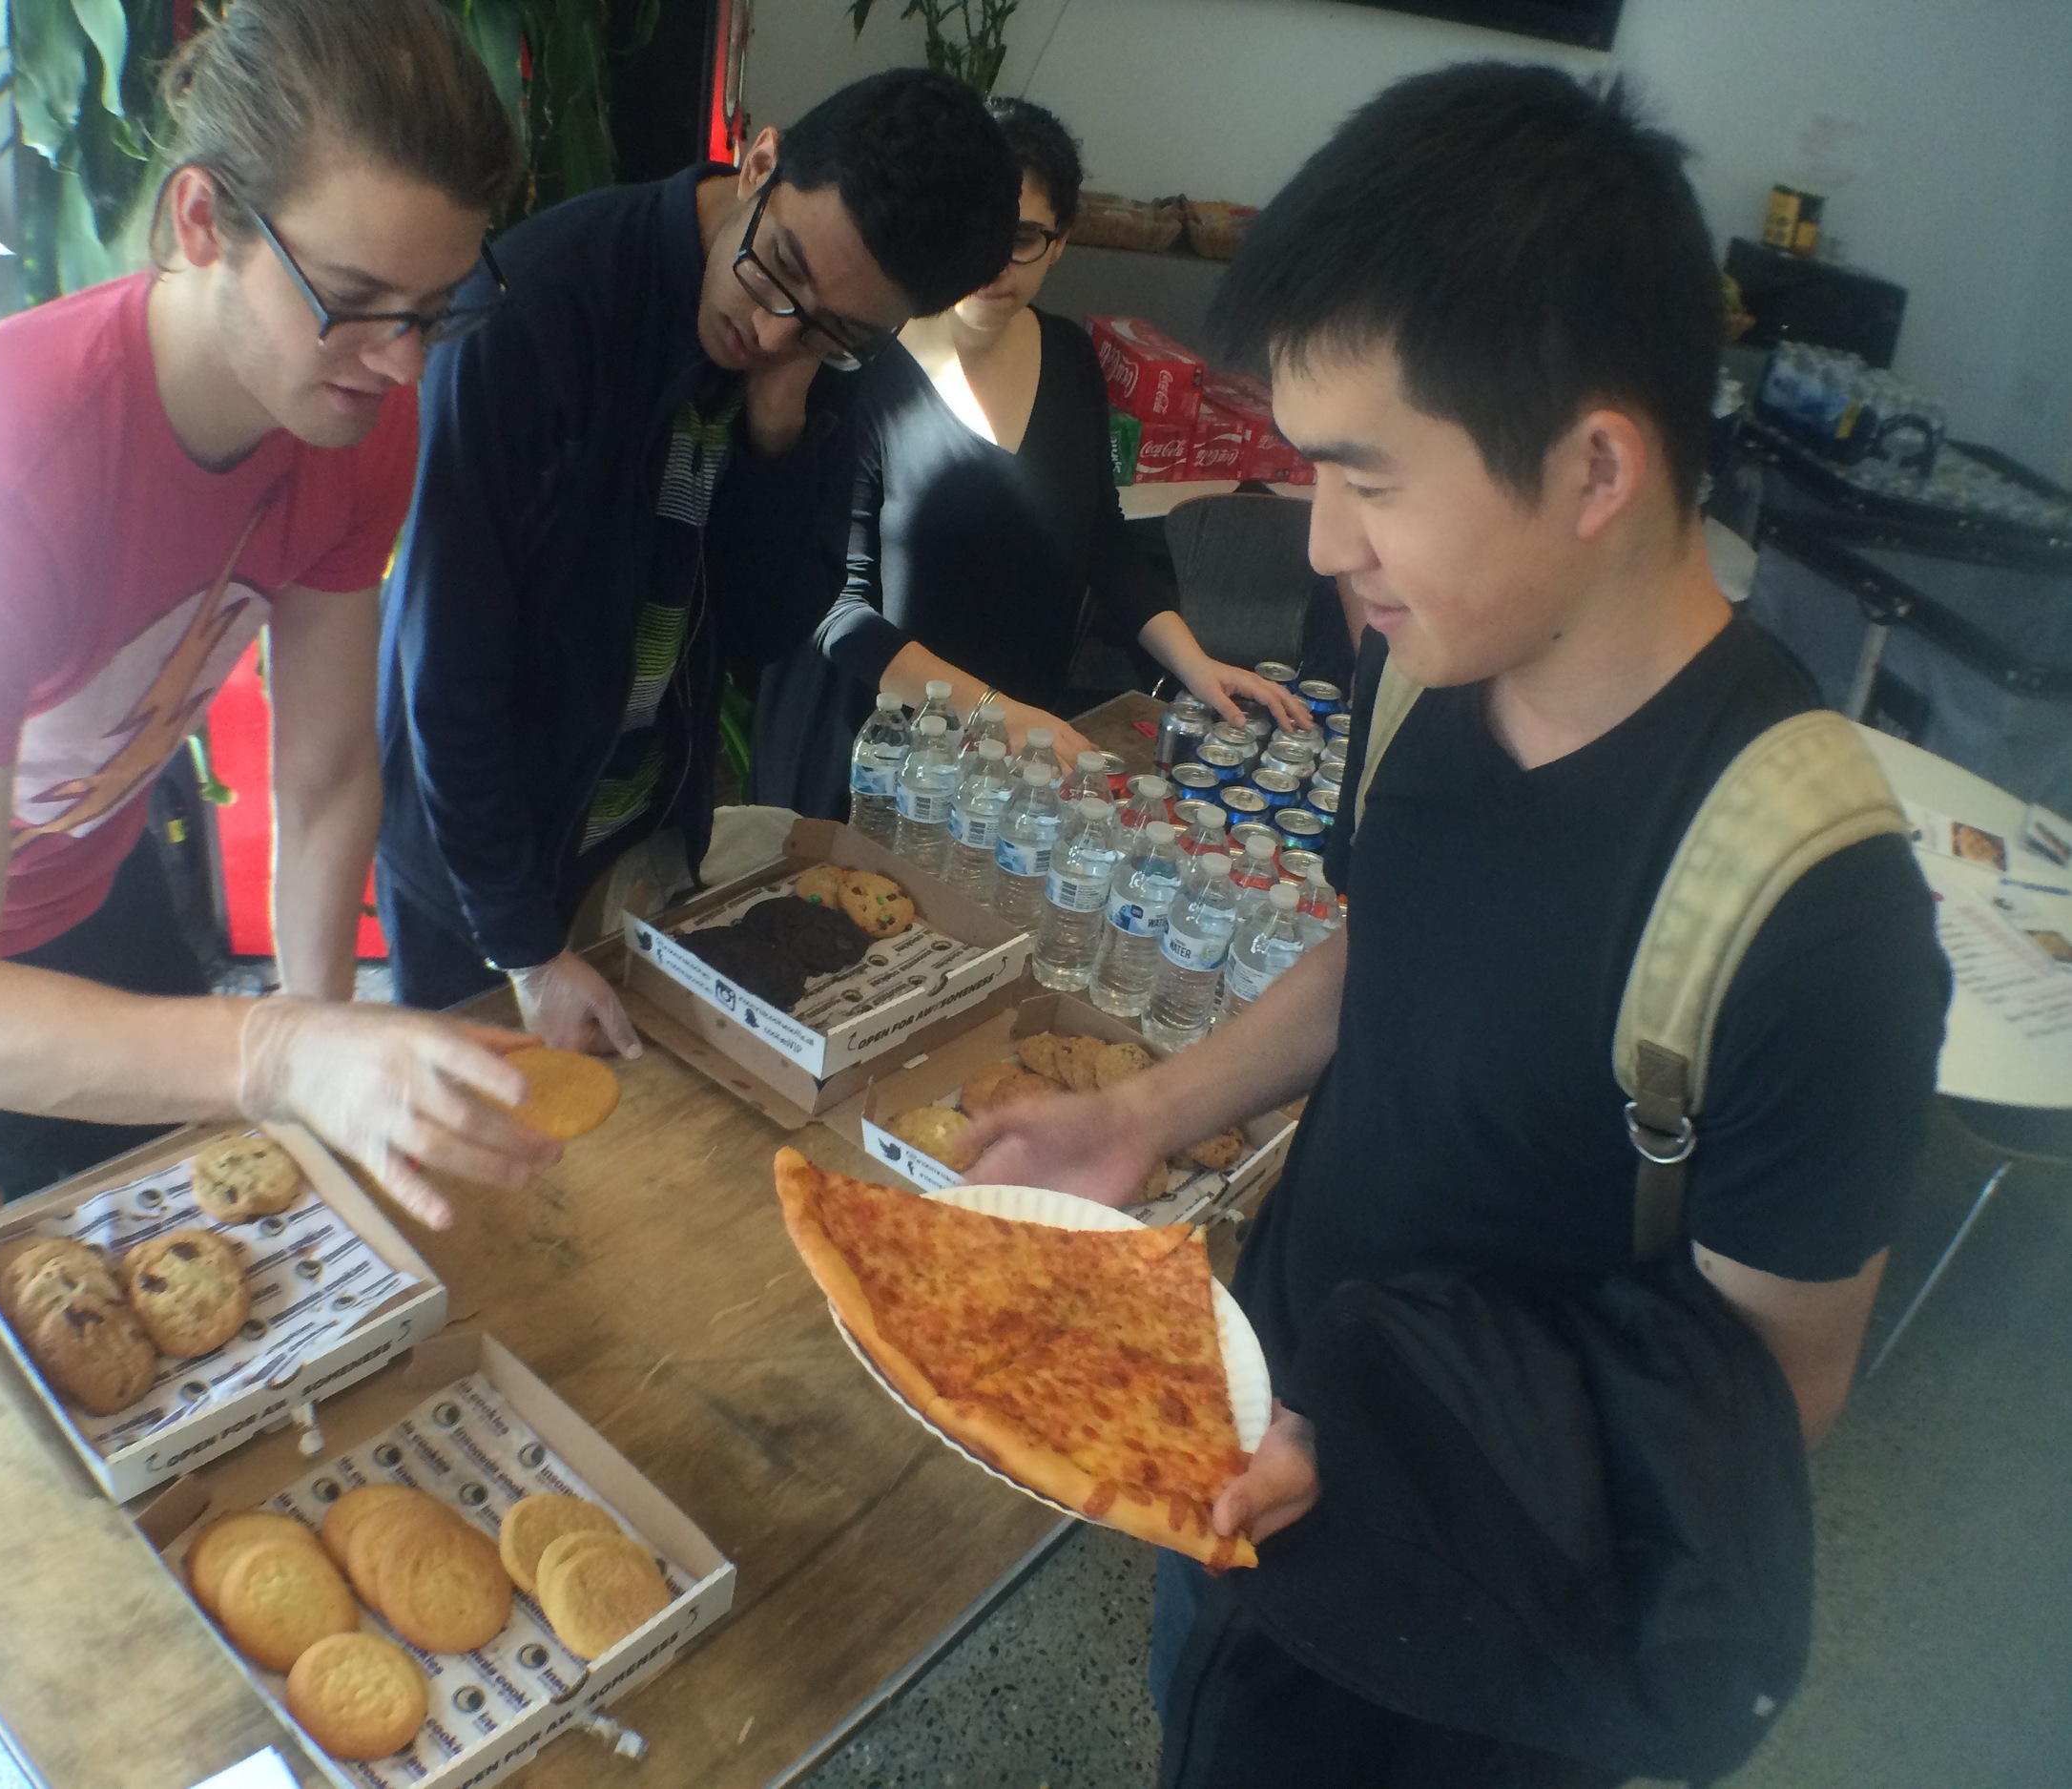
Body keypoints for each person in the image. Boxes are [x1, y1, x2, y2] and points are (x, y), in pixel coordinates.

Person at [961, 63, 1949, 1785]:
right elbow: (1390, 955)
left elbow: (1781, 1384)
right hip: (1262, 1473)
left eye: (1371, 478)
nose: (1323, 540)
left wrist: (1398, 1460)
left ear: (1592, 468)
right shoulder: (1423, 675)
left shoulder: (1816, 916)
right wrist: (1143, 1114)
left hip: (1495, 1642)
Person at [0, 0, 558, 1267]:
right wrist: (284, 1052)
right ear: (201, 221)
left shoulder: (357, 412)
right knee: (25, 1379)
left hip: (97, 878)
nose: (402, 363)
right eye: (351, 299)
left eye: (435, 307)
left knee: (212, 1274)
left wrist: (317, 1040)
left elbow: (329, 767)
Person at [374, 70, 1021, 1047]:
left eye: (837, 328)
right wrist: (521, 944)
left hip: (639, 841)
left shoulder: (827, 355)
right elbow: (444, 662)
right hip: (478, 865)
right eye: (779, 273)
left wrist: (778, 432)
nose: (770, 331)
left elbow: (763, 629)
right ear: (760, 162)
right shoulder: (534, 311)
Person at [754, 97, 1305, 820]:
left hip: (1007, 757)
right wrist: (997, 713)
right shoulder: (862, 360)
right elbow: (840, 612)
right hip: (869, 750)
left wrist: (1195, 665)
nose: (990, 264)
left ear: (1062, 240)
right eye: (973, 233)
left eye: (1022, 236)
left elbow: (1103, 539)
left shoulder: (1072, 359)